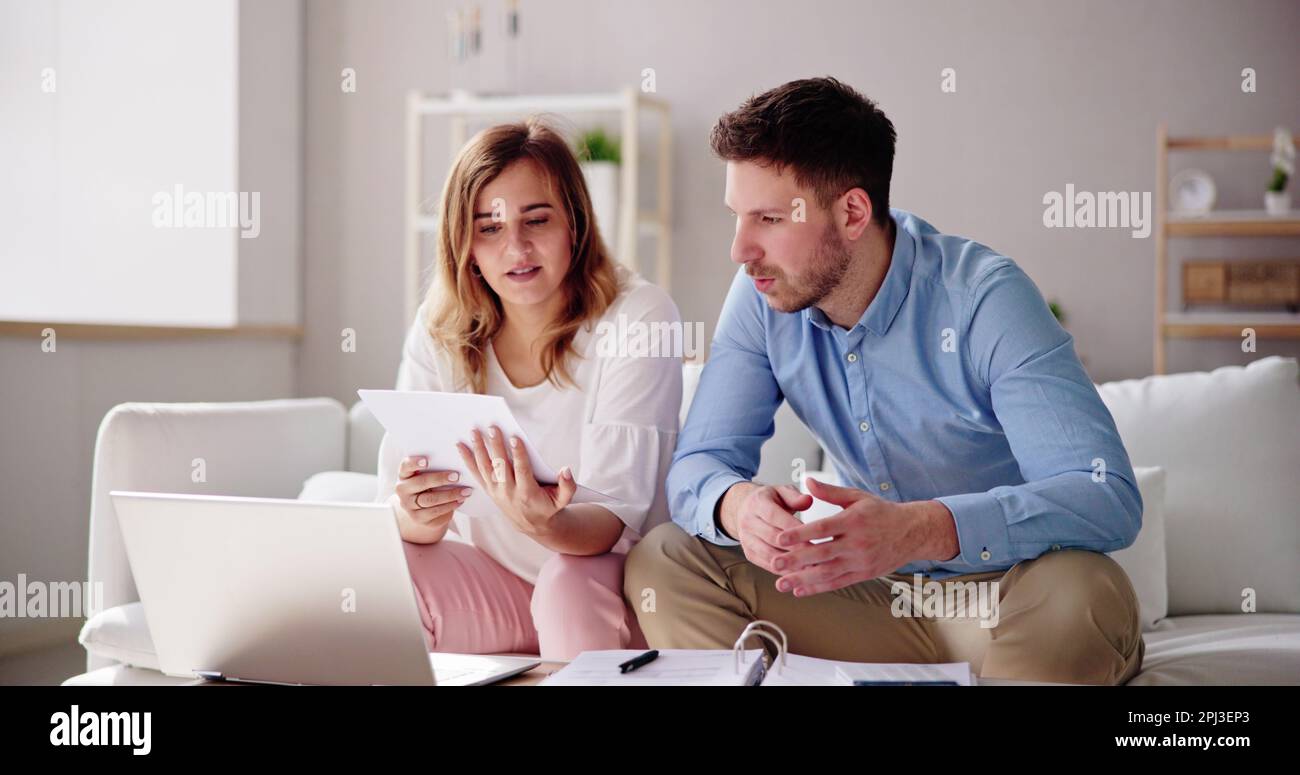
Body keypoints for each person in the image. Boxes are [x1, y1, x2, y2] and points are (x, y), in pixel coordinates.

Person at [625, 77, 1145, 685]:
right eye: (738, 217)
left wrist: (920, 528)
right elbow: (697, 466)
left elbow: (1105, 496)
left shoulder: (984, 299)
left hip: (1012, 600)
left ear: (852, 212)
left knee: (1080, 591)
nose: (740, 249)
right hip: (870, 603)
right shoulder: (762, 298)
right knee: (666, 561)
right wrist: (737, 507)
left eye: (768, 218)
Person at [376, 118, 681, 661]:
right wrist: (418, 516)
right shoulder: (439, 325)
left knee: (566, 588)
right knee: (385, 576)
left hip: (612, 583)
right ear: (464, 243)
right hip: (500, 587)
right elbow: (397, 513)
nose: (516, 247)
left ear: (575, 226)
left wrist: (550, 522)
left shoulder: (639, 316)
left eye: (536, 220)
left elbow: (612, 525)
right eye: (489, 227)